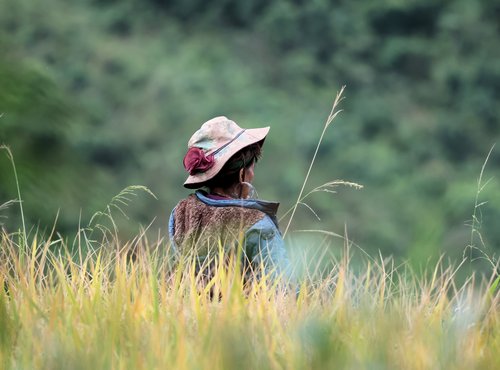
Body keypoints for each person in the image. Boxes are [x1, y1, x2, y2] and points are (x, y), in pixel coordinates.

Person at [168, 116, 291, 283]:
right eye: (251, 169)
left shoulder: (180, 213)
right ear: (242, 174)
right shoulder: (258, 225)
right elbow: (283, 288)